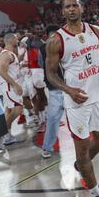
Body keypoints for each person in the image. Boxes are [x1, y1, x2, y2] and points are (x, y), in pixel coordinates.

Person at [46, 0, 99, 197]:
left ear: (82, 9)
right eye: (67, 7)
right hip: (76, 102)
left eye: (75, 6)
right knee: (82, 150)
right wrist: (69, 90)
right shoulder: (56, 40)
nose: (71, 9)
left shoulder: (96, 31)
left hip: (98, 95)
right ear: (62, 12)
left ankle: (80, 165)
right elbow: (51, 74)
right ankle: (95, 192)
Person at [0, 33, 25, 148]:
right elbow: (3, 72)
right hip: (9, 86)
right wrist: (15, 85)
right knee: (18, 109)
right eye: (16, 38)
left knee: (8, 111)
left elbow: (12, 65)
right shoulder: (6, 54)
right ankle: (0, 137)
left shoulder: (11, 54)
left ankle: (6, 137)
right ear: (11, 40)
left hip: (10, 85)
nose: (17, 39)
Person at [39, 24, 63, 159]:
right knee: (53, 118)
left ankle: (47, 147)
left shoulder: (43, 48)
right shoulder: (43, 48)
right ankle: (47, 147)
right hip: (57, 88)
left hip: (66, 87)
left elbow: (42, 65)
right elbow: (43, 65)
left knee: (54, 119)